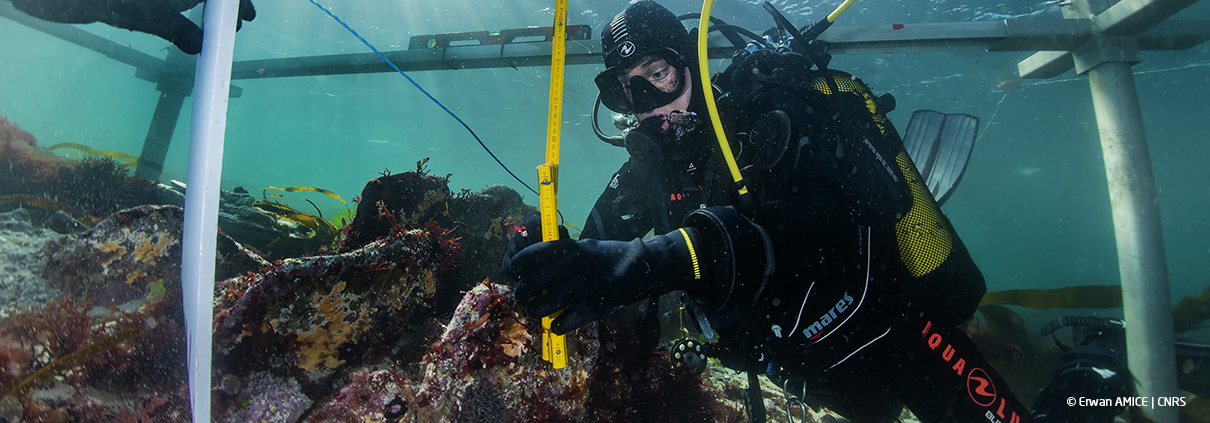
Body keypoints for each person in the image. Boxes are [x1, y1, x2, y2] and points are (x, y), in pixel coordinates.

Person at [503, 2, 1126, 422]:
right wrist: (539, 246)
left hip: (894, 334)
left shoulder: (773, 118)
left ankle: (1091, 373)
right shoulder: (650, 169)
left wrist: (672, 255)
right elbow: (592, 247)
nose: (648, 103)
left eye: (658, 74)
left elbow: (817, 223)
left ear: (689, 63)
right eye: (628, 88)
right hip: (812, 374)